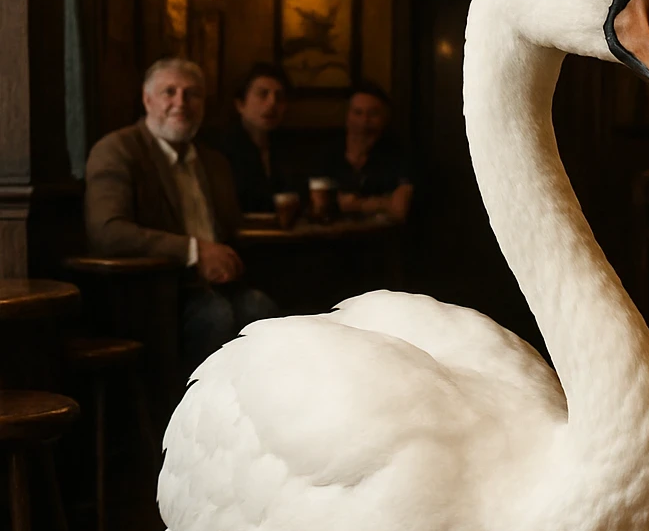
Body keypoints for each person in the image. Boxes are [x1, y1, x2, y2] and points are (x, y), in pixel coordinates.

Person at [85, 57, 277, 371]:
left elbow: (232, 228)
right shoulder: (118, 150)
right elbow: (107, 231)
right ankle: (195, 417)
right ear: (147, 100)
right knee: (217, 316)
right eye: (169, 92)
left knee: (264, 311)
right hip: (152, 293)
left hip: (218, 286)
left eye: (192, 94)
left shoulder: (213, 161)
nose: (181, 103)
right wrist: (194, 251)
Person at [320, 81, 415, 222]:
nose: (364, 121)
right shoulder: (328, 154)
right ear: (347, 117)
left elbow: (399, 209)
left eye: (373, 114)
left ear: (384, 119)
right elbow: (320, 206)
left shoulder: (400, 156)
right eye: (358, 113)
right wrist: (382, 202)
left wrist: (355, 204)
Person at [216, 62, 295, 213]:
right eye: (263, 94)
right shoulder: (222, 151)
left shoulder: (290, 149)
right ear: (240, 104)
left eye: (279, 97)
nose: (272, 103)